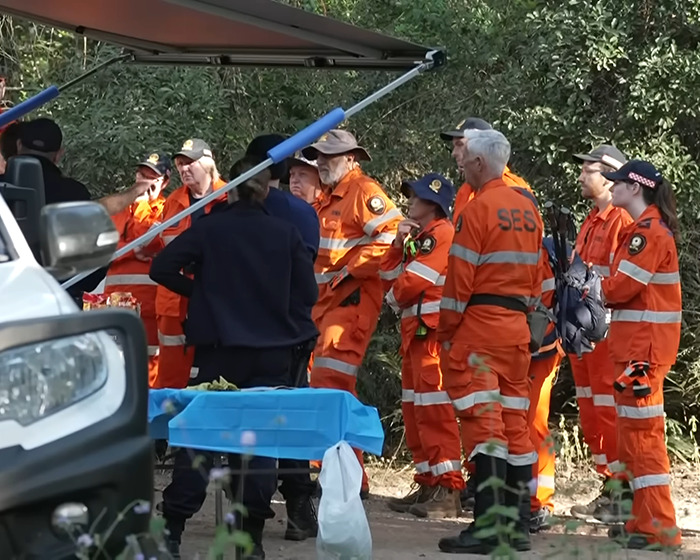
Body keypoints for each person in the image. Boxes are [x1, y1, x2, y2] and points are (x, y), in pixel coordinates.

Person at [149, 158, 318, 560]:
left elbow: (162, 267)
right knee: (259, 445)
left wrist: (203, 293)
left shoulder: (209, 229)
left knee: (201, 439)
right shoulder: (285, 233)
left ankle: (172, 529)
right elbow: (308, 296)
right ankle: (251, 538)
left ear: (231, 188)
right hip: (271, 356)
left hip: (219, 354)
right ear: (264, 189)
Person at [437, 129, 542, 554]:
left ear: (480, 164)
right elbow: (537, 280)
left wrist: (446, 329)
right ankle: (516, 525)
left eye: (464, 161)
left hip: (479, 326)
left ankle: (486, 528)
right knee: (516, 426)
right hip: (517, 329)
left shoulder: (477, 210)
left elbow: (460, 278)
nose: (460, 166)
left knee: (484, 427)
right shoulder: (528, 211)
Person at [302, 129, 402, 495]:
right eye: (320, 156)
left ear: (352, 159)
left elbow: (392, 234)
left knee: (332, 386)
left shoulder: (362, 192)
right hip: (327, 304)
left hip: (351, 301)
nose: (322, 162)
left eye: (330, 156)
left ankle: (349, 479)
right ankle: (340, 473)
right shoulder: (328, 197)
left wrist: (350, 270)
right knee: (327, 388)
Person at [598, 160, 681, 550]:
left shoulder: (646, 234)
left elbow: (620, 288)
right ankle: (643, 521)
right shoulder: (640, 231)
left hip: (643, 355)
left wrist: (592, 288)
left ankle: (659, 528)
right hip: (636, 350)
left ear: (635, 187)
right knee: (632, 436)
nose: (610, 187)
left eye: (617, 182)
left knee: (644, 439)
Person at [242, 134, 320, 541]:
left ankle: (243, 510)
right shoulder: (303, 215)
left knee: (239, 419)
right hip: (290, 333)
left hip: (234, 335)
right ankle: (298, 510)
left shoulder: (227, 209)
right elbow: (307, 279)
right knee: (289, 420)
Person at [380, 173, 464, 519]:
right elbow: (387, 274)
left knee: (434, 409)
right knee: (416, 411)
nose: (409, 202)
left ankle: (449, 488)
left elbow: (413, 282)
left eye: (415, 197)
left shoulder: (441, 235)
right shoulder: (419, 236)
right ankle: (429, 481)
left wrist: (393, 296)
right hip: (414, 334)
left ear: (432, 205)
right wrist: (398, 244)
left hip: (431, 335)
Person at [568, 145, 635, 521]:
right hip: (586, 331)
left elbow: (618, 281)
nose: (581, 176)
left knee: (609, 410)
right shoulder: (592, 220)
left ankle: (622, 493)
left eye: (588, 170)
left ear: (610, 175)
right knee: (592, 412)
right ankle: (610, 486)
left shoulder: (622, 221)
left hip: (607, 332)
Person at [148, 138, 227, 389]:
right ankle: (168, 425)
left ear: (208, 163)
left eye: (190, 162)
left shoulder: (229, 196)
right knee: (170, 377)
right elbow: (160, 249)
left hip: (214, 297)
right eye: (180, 164)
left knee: (213, 375)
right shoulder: (173, 202)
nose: (184, 169)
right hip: (173, 302)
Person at [104, 151, 171, 386]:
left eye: (151, 178)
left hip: (152, 306)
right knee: (113, 368)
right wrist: (134, 250)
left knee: (150, 368)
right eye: (141, 175)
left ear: (165, 182)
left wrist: (135, 247)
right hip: (115, 305)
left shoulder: (170, 210)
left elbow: (159, 244)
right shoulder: (121, 208)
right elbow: (105, 248)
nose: (144, 182)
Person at [527, 241, 563, 532]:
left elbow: (538, 298)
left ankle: (540, 502)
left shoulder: (533, 250)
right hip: (526, 344)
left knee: (534, 424)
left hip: (540, 345)